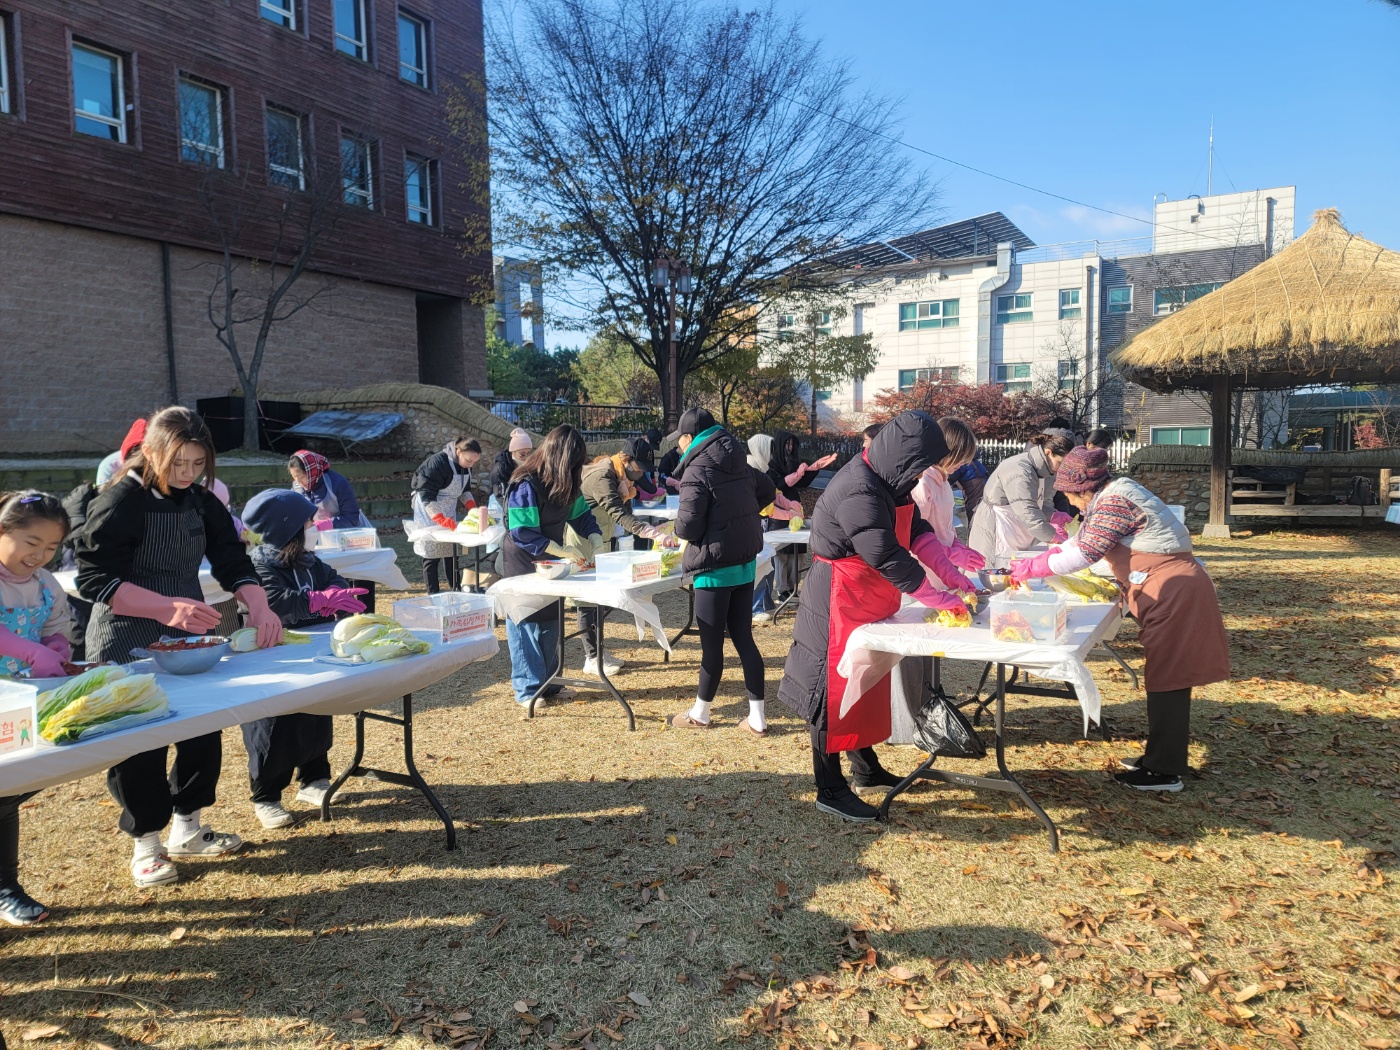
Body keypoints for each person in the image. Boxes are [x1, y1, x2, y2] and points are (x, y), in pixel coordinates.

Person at [75, 407, 283, 887]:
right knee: (141, 740)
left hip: (187, 634)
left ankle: (188, 826)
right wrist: (164, 608)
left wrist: (259, 604)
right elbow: (93, 577)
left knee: (202, 728)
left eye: (196, 464)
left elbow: (231, 557)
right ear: (151, 452)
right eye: (177, 464)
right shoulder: (121, 500)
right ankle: (145, 843)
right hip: (127, 634)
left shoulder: (200, 500)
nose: (187, 474)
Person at [778, 412, 971, 822]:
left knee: (864, 682)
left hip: (869, 597)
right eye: (919, 465)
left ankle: (865, 769)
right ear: (902, 457)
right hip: (838, 597)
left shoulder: (893, 481)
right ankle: (829, 788)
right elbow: (885, 553)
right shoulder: (858, 488)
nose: (922, 474)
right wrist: (936, 597)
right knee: (831, 691)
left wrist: (950, 568)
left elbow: (916, 530)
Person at [1010, 446, 1229, 791]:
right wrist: (1048, 555)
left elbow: (1085, 552)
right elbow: (1082, 542)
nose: (1071, 503)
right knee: (1163, 675)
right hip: (1166, 586)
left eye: (1069, 495)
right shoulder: (1113, 497)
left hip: (1173, 590)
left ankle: (1164, 771)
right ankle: (1161, 756)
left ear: (1082, 488)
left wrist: (1036, 567)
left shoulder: (1114, 502)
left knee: (1168, 677)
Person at [239, 489, 367, 828]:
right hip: (274, 659)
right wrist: (315, 601)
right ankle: (266, 796)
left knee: (316, 713)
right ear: (288, 528)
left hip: (315, 654)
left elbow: (334, 580)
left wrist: (335, 595)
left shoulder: (311, 559)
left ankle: (314, 779)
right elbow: (274, 602)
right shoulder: (258, 564)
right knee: (274, 727)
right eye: (310, 522)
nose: (317, 526)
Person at [665, 408, 776, 736]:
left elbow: (687, 526)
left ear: (689, 438)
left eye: (680, 441)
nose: (679, 447)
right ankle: (757, 718)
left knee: (712, 647)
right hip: (743, 565)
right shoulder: (738, 459)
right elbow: (768, 491)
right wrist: (739, 514)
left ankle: (701, 713)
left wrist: (680, 526)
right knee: (744, 638)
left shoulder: (696, 468)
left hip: (713, 569)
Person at [0, 491, 76, 925]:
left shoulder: (46, 583)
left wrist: (56, 644)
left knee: (8, 791)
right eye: (31, 543)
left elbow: (56, 624)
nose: (39, 556)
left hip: (18, 703)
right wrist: (29, 652)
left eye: (50, 548)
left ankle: (6, 887)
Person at [502, 425, 604, 707]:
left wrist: (595, 537)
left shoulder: (566, 481)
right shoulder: (526, 482)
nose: (576, 469)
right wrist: (558, 548)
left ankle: (550, 683)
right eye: (573, 463)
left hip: (551, 561)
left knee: (550, 619)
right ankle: (527, 690)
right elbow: (522, 530)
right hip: (523, 558)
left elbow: (582, 515)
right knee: (524, 621)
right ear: (559, 458)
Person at [576, 446, 678, 675]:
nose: (641, 472)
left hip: (602, 539)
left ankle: (598, 652)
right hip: (583, 541)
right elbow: (618, 513)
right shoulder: (603, 476)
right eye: (639, 467)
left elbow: (627, 512)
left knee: (600, 599)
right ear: (626, 459)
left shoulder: (621, 477)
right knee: (587, 601)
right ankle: (591, 657)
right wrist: (653, 533)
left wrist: (653, 529)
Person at [967, 430, 1077, 567]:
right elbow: (1028, 512)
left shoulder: (1037, 469)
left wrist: (1053, 515)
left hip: (1014, 527)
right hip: (998, 527)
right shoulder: (1020, 470)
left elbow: (1027, 503)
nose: (1061, 470)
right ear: (1048, 452)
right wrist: (1054, 537)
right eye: (1060, 463)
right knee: (995, 571)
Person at [769, 431, 837, 603]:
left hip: (796, 514)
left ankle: (793, 589)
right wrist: (798, 474)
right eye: (787, 444)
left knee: (797, 553)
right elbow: (779, 485)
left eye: (792, 445)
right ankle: (782, 590)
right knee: (782, 554)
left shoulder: (794, 465)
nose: (790, 448)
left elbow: (803, 483)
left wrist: (814, 468)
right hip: (779, 515)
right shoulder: (771, 467)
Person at [411, 437, 482, 594]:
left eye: (474, 462)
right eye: (469, 460)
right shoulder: (437, 463)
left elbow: (464, 490)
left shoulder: (465, 466)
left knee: (451, 551)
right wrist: (438, 517)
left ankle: (455, 589)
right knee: (431, 555)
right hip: (429, 510)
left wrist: (471, 506)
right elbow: (426, 493)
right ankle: (433, 594)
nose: (471, 465)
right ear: (458, 452)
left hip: (449, 508)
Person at [745, 434, 803, 621]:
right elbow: (764, 506)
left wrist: (790, 504)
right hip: (751, 524)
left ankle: (765, 603)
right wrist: (788, 514)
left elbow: (774, 493)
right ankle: (755, 607)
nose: (771, 455)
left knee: (766, 562)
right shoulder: (749, 467)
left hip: (760, 526)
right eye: (769, 451)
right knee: (759, 564)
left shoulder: (762, 468)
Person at [288, 450, 369, 531]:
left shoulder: (337, 483)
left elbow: (352, 518)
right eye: (294, 477)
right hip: (318, 537)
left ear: (312, 472)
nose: (298, 481)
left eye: (301, 477)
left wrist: (322, 525)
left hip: (348, 536)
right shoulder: (297, 488)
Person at [490, 429, 533, 506]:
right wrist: (512, 513)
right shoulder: (500, 467)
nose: (526, 458)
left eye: (528, 453)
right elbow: (500, 496)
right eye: (522, 454)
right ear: (513, 451)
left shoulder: (525, 466)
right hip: (501, 508)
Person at [948, 451, 989, 523]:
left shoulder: (963, 463)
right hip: (986, 493)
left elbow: (948, 479)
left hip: (976, 495)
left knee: (974, 518)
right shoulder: (976, 462)